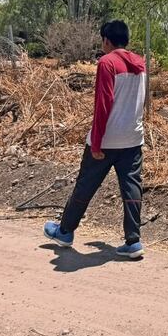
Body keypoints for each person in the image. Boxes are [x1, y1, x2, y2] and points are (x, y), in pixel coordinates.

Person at [44, 20, 147, 259]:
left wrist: (97, 142)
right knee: (132, 187)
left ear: (107, 40)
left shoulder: (106, 62)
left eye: (102, 41)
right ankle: (133, 241)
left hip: (107, 138)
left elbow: (103, 104)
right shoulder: (140, 64)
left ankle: (65, 231)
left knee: (86, 185)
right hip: (132, 137)